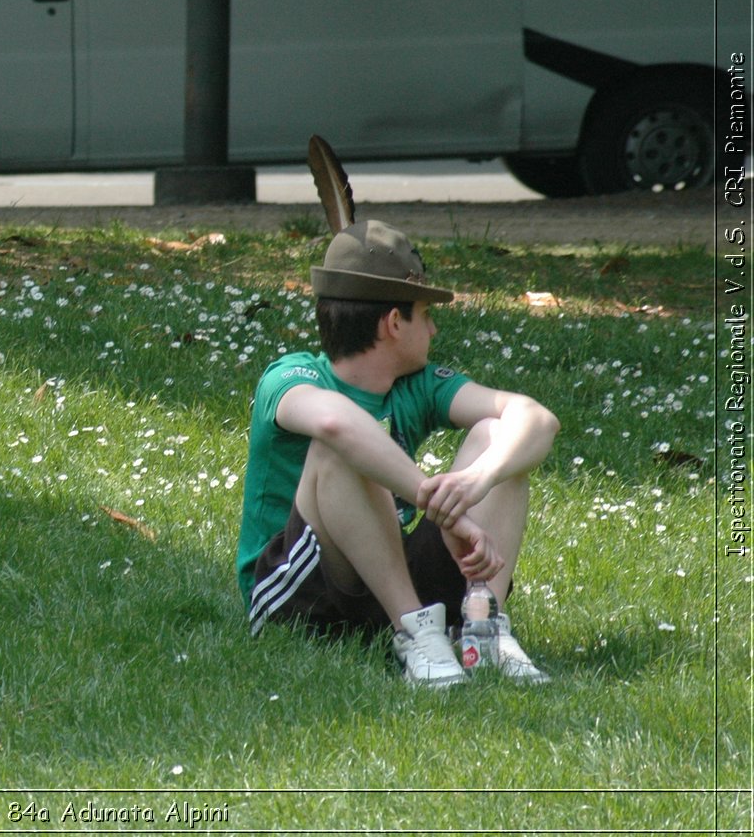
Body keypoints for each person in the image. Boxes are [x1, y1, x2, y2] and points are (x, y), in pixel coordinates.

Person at [236, 220, 560, 687]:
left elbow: (535, 418)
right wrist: (450, 514)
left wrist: (479, 479)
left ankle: (481, 626)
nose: (433, 328)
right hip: (303, 594)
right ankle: (417, 634)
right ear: (393, 322)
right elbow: (335, 424)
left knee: (497, 436)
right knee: (342, 446)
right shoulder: (291, 377)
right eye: (425, 314)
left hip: (384, 581)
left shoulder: (417, 386)